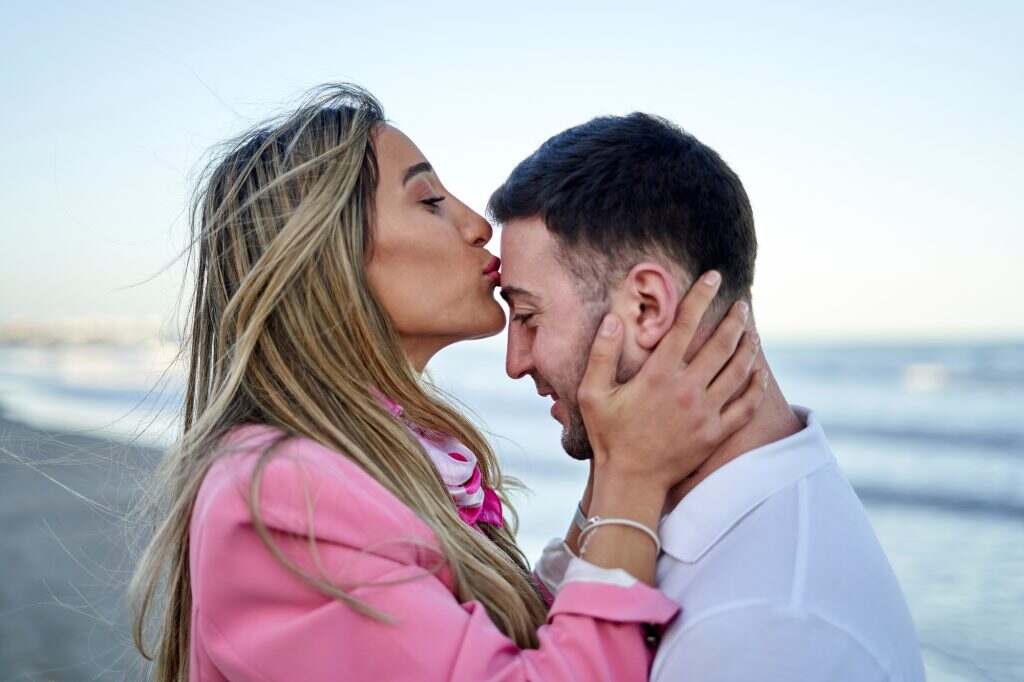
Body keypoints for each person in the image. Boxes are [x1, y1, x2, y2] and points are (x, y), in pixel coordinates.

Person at [129, 84, 767, 682]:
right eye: (430, 201)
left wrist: (614, 456)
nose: (476, 224)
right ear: (329, 256)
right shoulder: (277, 496)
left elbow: (496, 642)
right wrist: (634, 478)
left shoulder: (365, 460)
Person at [490, 112, 927, 681]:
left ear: (646, 308)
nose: (514, 361)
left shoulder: (764, 636)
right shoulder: (693, 518)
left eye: (527, 315)